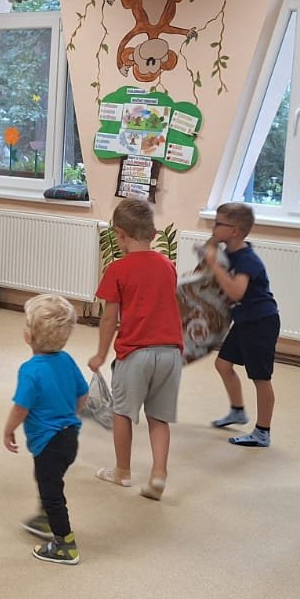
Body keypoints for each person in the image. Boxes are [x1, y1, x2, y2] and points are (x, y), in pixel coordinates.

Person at [87, 197, 183, 498]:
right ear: (153, 234)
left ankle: (122, 472)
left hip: (135, 353)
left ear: (120, 234)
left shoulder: (118, 269)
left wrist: (101, 354)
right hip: (171, 353)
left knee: (122, 412)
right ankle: (159, 473)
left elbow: (109, 318)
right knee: (159, 417)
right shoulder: (168, 266)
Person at [6, 294, 89, 565]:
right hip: (69, 437)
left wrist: (8, 430)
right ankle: (45, 518)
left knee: (52, 492)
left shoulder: (30, 370)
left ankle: (65, 544)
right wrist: (72, 415)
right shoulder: (66, 360)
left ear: (28, 336)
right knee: (48, 480)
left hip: (48, 443)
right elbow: (83, 393)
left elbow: (21, 408)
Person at [205, 201, 281, 448]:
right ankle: (237, 411)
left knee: (260, 378)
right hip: (245, 320)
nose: (213, 227)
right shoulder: (232, 252)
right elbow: (210, 248)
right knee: (223, 364)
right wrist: (214, 241)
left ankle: (262, 432)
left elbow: (237, 291)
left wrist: (214, 265)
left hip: (261, 322)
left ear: (234, 231)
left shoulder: (247, 260)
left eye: (218, 224)